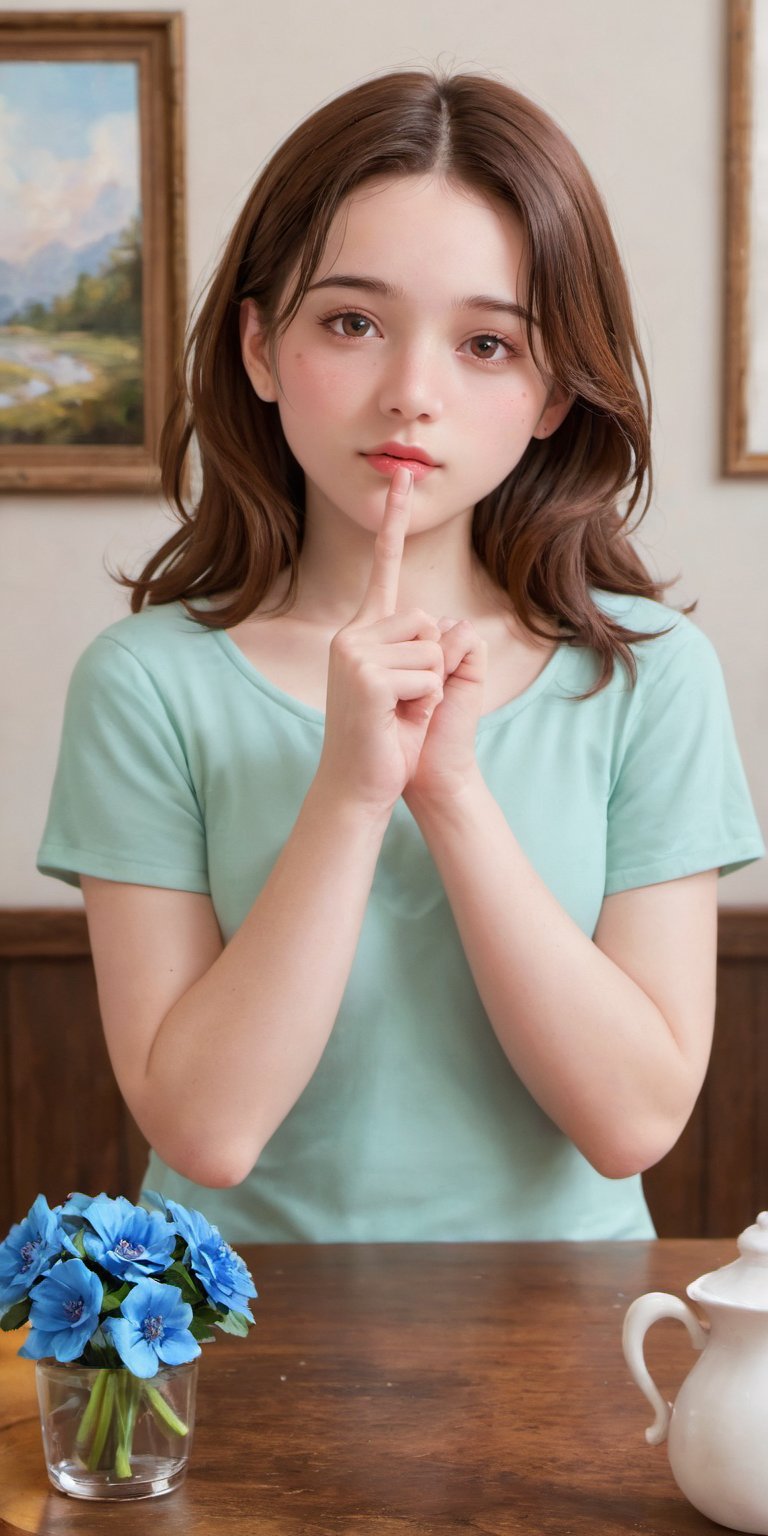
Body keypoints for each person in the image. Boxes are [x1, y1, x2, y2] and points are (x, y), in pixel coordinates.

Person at [37, 69, 763, 1243]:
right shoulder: (147, 681)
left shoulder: (652, 674)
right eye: (353, 322)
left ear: (550, 395)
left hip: (571, 1350)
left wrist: (453, 790)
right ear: (261, 346)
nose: (411, 394)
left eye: (487, 342)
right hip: (242, 1342)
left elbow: (633, 1123)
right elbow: (208, 1133)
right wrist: (351, 788)